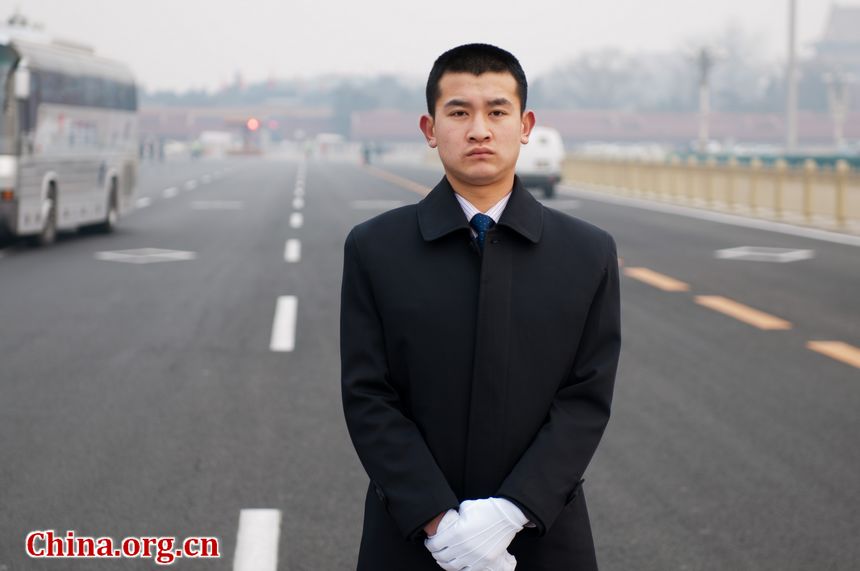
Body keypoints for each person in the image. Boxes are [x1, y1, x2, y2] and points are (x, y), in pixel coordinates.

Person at [340, 43, 621, 570]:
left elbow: (585, 399)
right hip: (409, 539)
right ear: (429, 128)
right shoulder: (375, 248)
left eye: (497, 111)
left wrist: (512, 512)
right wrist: (437, 520)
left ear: (525, 124)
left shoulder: (588, 252)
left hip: (543, 536)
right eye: (459, 112)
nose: (478, 130)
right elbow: (368, 396)